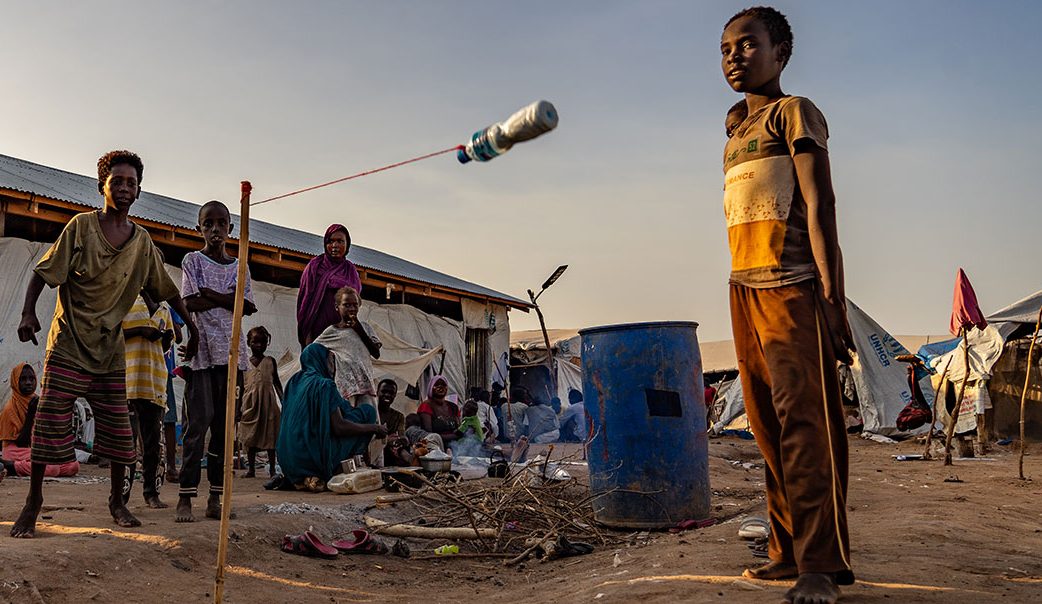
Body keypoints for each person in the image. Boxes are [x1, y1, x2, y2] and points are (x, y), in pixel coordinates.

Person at [720, 7, 855, 602]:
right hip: (742, 288)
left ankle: (819, 566)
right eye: (726, 47)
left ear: (781, 52)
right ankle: (785, 552)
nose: (734, 56)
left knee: (806, 424)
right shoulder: (734, 135)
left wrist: (833, 299)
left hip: (792, 283)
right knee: (767, 427)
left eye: (749, 44)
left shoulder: (793, 112)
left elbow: (821, 207)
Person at [13, 150, 198, 538]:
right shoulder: (81, 227)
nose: (125, 187)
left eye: (132, 182)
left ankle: (118, 502)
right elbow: (43, 273)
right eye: (118, 181)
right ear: (103, 186)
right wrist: (28, 313)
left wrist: (191, 328)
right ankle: (33, 503)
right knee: (48, 423)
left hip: (109, 348)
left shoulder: (143, 242)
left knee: (118, 429)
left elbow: (165, 290)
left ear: (139, 189)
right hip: (68, 341)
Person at [176, 199, 257, 523]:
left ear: (230, 229)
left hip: (232, 355)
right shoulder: (192, 260)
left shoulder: (240, 266)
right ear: (200, 229)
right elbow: (189, 302)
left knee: (225, 429)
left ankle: (216, 497)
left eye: (221, 224)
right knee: (197, 425)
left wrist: (211, 294)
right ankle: (185, 496)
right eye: (208, 224)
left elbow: (247, 306)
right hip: (202, 355)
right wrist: (226, 299)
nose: (215, 230)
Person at [276, 343, 387, 491]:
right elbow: (339, 427)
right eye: (330, 361)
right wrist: (374, 428)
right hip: (310, 461)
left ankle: (304, 477)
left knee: (353, 415)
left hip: (287, 463)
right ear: (321, 360)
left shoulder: (294, 382)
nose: (333, 367)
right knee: (368, 412)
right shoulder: (324, 385)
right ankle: (329, 470)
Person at [122, 292, 175, 508]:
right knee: (127, 442)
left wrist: (165, 339)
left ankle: (151, 493)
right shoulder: (126, 299)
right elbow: (110, 333)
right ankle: (121, 495)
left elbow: (166, 345)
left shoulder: (164, 308)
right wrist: (140, 331)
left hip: (155, 382)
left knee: (154, 443)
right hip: (129, 381)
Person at [1, 364, 79, 478]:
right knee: (52, 468)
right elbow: (21, 442)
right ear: (15, 381)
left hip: (34, 449)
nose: (28, 382)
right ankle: (11, 466)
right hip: (15, 451)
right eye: (23, 379)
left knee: (73, 465)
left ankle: (23, 466)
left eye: (31, 379)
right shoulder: (10, 408)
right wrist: (30, 415)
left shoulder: (37, 400)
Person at [296, 224, 362, 348]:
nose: (335, 245)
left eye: (340, 241)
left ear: (347, 245)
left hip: (342, 333)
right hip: (316, 333)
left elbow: (355, 303)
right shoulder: (314, 266)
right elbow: (305, 303)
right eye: (330, 241)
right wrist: (307, 336)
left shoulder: (350, 270)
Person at [240, 326, 284, 478]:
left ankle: (272, 468)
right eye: (255, 342)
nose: (259, 345)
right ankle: (251, 469)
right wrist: (238, 408)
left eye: (263, 342)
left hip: (269, 404)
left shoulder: (270, 361)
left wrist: (284, 402)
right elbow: (239, 386)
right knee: (250, 436)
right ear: (248, 343)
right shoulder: (244, 363)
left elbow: (277, 383)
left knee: (271, 436)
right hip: (250, 404)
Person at [163, 306, 185, 483]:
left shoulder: (169, 307)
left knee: (169, 420)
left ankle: (170, 466)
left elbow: (179, 338)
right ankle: (149, 463)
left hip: (163, 371)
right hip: (141, 367)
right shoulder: (135, 301)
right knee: (144, 420)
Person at [418, 376, 461, 448]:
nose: (440, 387)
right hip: (435, 446)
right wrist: (453, 436)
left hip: (456, 446)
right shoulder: (426, 406)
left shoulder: (453, 407)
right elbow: (429, 435)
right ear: (431, 387)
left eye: (443, 385)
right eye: (436, 385)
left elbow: (459, 428)